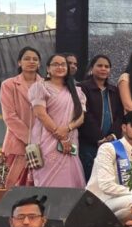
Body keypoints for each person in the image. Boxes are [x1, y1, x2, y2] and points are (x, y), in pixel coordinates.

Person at [28, 53, 87, 188]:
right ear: (48, 68)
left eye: (63, 64)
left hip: (70, 141)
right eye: (55, 64)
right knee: (48, 182)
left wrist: (67, 130)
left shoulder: (77, 91)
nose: (60, 67)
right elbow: (41, 114)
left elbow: (81, 118)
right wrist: (61, 136)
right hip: (47, 141)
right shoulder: (40, 87)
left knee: (71, 178)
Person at [0, 46, 43, 187]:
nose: (31, 61)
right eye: (27, 59)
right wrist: (30, 139)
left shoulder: (46, 85)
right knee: (12, 188)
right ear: (19, 62)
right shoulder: (8, 85)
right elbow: (9, 116)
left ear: (39, 64)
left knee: (38, 187)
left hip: (43, 144)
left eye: (35, 59)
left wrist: (39, 139)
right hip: (16, 143)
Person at [78, 54, 124, 179]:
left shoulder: (114, 90)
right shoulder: (82, 87)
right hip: (89, 143)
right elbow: (85, 115)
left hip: (111, 143)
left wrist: (112, 135)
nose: (103, 69)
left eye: (106, 66)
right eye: (99, 66)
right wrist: (99, 138)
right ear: (92, 68)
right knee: (90, 178)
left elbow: (120, 115)